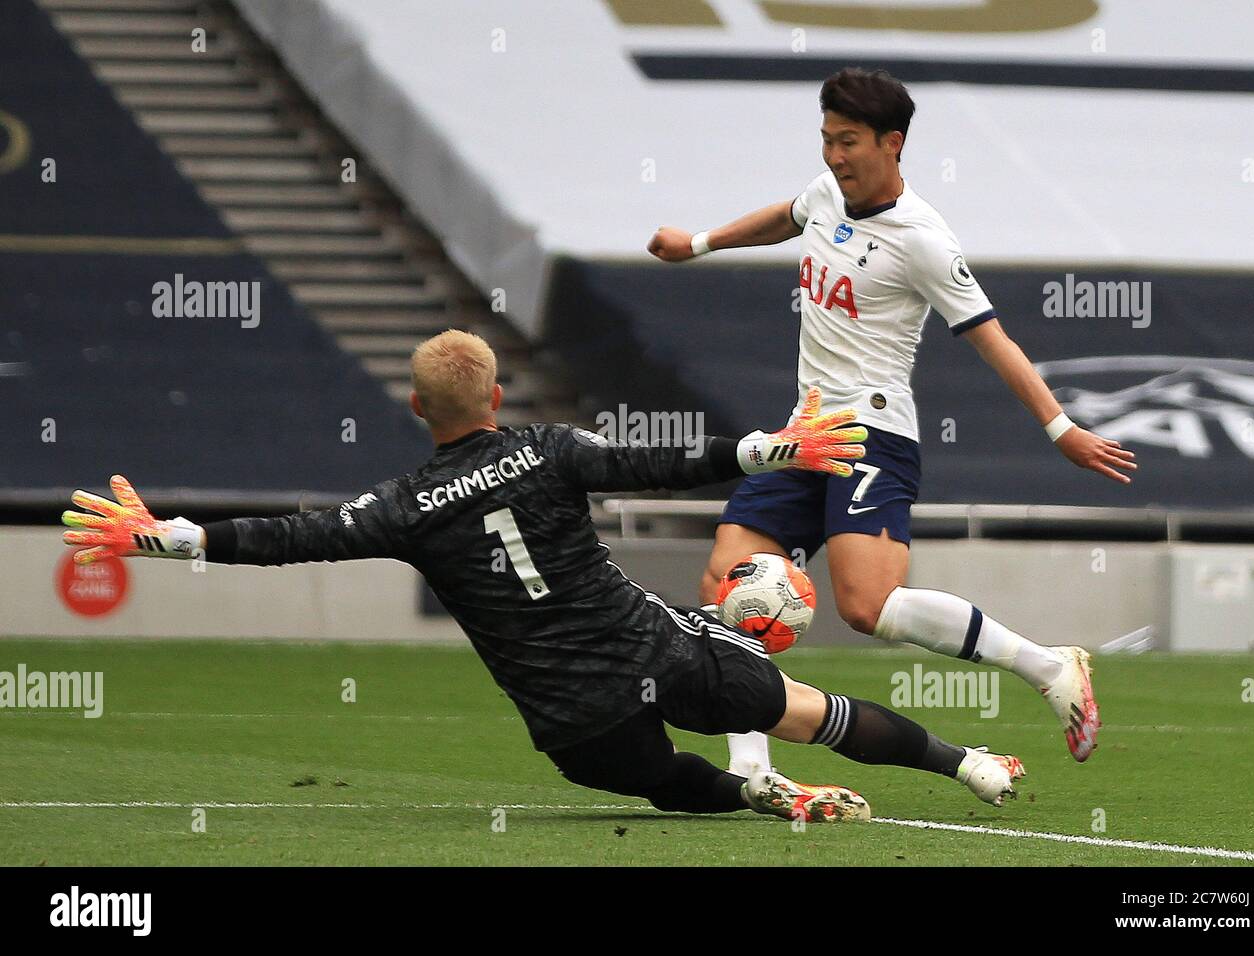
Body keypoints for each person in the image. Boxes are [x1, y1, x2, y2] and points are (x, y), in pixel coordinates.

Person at [62, 330, 1027, 823]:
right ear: (494, 395)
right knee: (806, 708)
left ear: (413, 406)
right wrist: (770, 448)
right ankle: (969, 765)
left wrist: (169, 539)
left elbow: (291, 537)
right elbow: (662, 461)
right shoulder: (551, 450)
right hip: (654, 649)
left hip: (571, 720)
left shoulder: (401, 508)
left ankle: (750, 795)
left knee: (661, 784)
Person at [647, 67, 1135, 777]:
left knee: (866, 606)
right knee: (727, 581)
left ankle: (1047, 666)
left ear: (892, 143)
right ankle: (753, 774)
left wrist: (1062, 430)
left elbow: (994, 339)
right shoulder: (826, 194)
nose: (833, 155)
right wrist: (698, 243)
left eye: (847, 141)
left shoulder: (923, 239)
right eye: (826, 139)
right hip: (805, 431)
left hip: (873, 433)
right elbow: (787, 215)